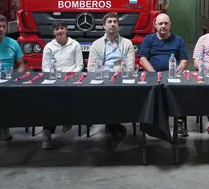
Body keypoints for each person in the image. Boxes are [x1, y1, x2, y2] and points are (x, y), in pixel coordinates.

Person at [87, 12, 135, 140]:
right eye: (109, 22)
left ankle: (112, 124)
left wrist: (114, 72)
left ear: (118, 25)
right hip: (102, 79)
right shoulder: (96, 44)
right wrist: (106, 74)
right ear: (104, 26)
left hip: (121, 78)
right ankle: (112, 124)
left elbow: (130, 67)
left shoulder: (127, 43)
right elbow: (91, 68)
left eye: (115, 21)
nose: (112, 24)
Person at [139, 13, 189, 136]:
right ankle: (151, 123)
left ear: (170, 24)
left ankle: (180, 123)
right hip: (153, 75)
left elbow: (184, 61)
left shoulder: (178, 40)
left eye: (166, 23)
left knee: (182, 92)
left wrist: (177, 70)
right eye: (160, 23)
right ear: (155, 25)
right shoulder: (149, 39)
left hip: (173, 76)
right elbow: (142, 59)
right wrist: (153, 73)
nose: (163, 26)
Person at [40, 20, 84, 149]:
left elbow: (80, 65)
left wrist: (71, 75)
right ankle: (47, 132)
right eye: (56, 29)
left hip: (71, 79)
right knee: (49, 101)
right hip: (53, 79)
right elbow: (45, 67)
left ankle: (67, 119)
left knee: (67, 96)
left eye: (62, 28)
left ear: (66, 30)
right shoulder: (48, 47)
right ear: (53, 32)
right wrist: (55, 77)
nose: (59, 31)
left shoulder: (75, 44)